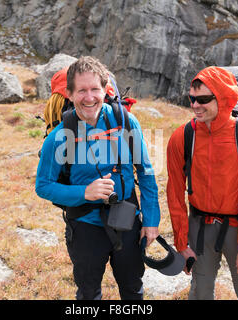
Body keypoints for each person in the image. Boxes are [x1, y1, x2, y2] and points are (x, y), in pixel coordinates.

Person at [35, 56, 160, 300]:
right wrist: (84, 193)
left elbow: (145, 172)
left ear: (105, 90)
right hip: (84, 224)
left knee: (133, 288)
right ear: (70, 94)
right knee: (89, 292)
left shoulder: (125, 121)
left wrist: (152, 220)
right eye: (82, 90)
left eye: (95, 89)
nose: (89, 97)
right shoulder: (60, 136)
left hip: (127, 218)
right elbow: (43, 186)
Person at [166, 66, 238, 300]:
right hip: (199, 229)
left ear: (223, 97)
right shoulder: (182, 136)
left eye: (203, 99)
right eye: (192, 98)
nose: (195, 105)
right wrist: (181, 243)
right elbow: (174, 193)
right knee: (200, 293)